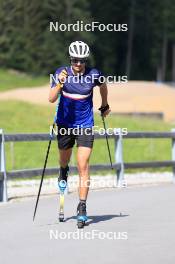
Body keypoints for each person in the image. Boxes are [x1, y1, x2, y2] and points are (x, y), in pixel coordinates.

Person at [49, 40, 110, 225]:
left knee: (83, 164)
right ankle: (62, 171)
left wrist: (104, 104)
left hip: (85, 125)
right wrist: (59, 84)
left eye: (82, 60)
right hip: (65, 125)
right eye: (75, 60)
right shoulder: (61, 73)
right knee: (64, 160)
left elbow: (103, 85)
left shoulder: (94, 74)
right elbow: (51, 99)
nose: (78, 64)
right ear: (70, 59)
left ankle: (82, 205)